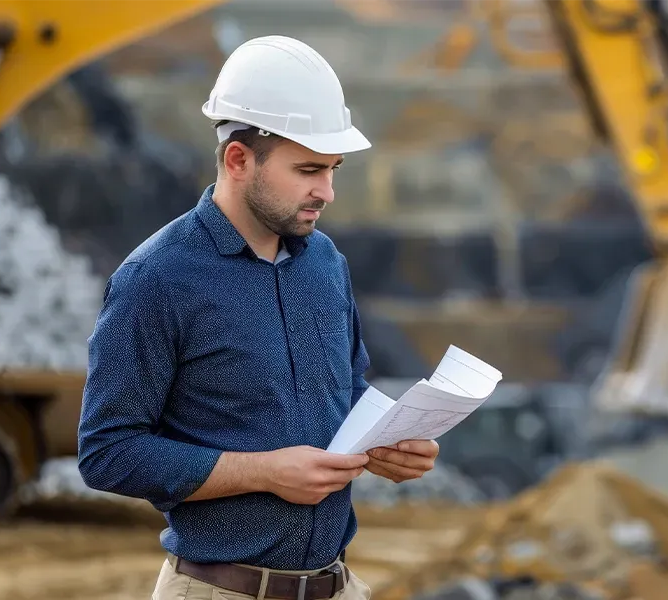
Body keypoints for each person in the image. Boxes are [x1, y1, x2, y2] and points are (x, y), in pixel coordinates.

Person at [76, 35, 440, 600]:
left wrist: (388, 447)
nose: (328, 191)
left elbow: (346, 393)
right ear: (238, 159)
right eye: (308, 170)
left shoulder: (324, 263)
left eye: (333, 169)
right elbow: (109, 453)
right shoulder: (156, 279)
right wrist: (264, 472)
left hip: (336, 586)